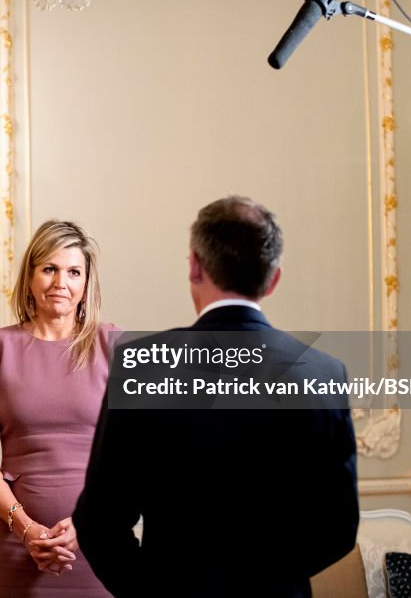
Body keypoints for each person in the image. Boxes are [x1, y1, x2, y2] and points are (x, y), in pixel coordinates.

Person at [73, 196, 359, 597]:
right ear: (273, 279)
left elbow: (98, 522)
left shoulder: (144, 365)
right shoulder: (325, 374)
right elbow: (338, 529)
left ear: (194, 266)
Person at [0, 220, 119, 597]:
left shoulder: (115, 345)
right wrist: (25, 528)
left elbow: (140, 452)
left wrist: (88, 522)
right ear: (30, 277)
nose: (61, 282)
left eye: (74, 272)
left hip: (97, 538)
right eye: (49, 268)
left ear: (86, 283)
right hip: (13, 541)